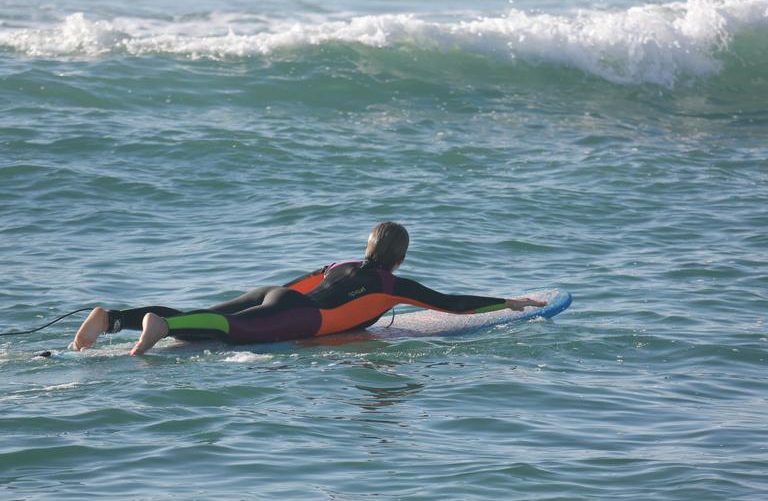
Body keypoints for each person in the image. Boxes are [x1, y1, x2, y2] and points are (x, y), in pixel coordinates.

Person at [73, 222, 546, 355]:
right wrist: (509, 301)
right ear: (399, 256)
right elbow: (452, 305)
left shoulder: (340, 264)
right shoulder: (392, 284)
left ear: (368, 246)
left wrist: (275, 296)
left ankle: (112, 319)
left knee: (211, 316)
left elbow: (297, 283)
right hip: (302, 318)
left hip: (278, 293)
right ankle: (162, 326)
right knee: (229, 331)